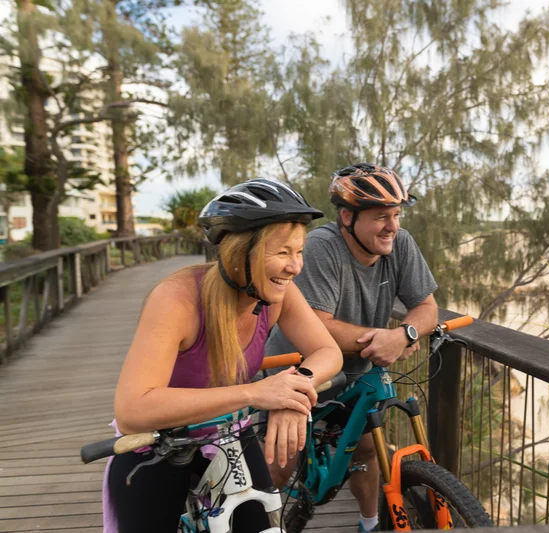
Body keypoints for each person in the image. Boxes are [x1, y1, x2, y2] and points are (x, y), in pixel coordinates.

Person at [104, 178, 343, 533]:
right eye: (282, 253)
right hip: (153, 446)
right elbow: (132, 409)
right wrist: (254, 393)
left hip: (227, 435)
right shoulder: (177, 301)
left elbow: (327, 351)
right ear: (238, 253)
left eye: (300, 251)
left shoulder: (278, 293)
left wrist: (294, 391)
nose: (296, 267)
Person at [265, 163, 439, 532]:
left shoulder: (400, 243)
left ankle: (369, 523)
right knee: (281, 459)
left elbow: (427, 308)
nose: (392, 226)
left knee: (365, 449)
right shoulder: (321, 248)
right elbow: (318, 327)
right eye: (381, 217)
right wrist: (384, 338)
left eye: (396, 215)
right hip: (297, 368)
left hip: (356, 372)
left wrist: (403, 335)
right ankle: (261, 521)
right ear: (347, 217)